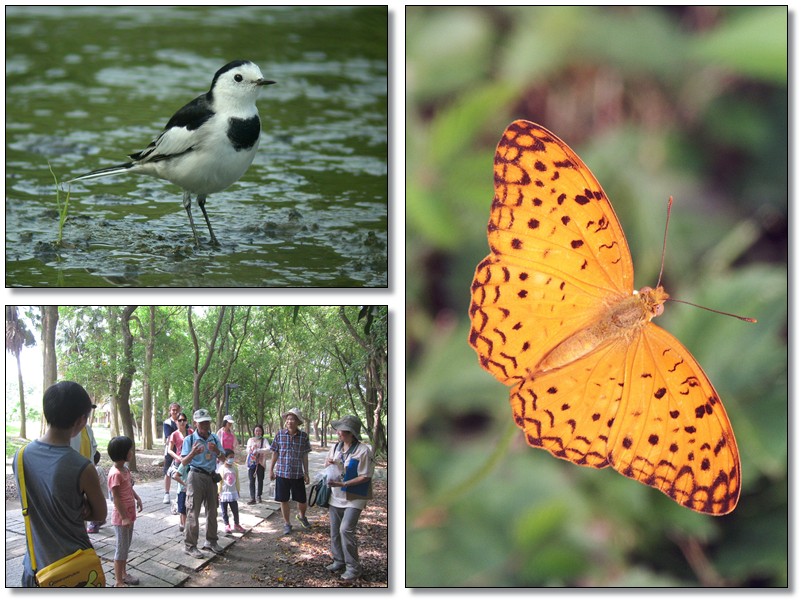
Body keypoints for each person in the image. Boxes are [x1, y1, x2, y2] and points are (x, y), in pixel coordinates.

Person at [11, 381, 107, 587]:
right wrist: (79, 507)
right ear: (81, 420)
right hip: (74, 569)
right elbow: (100, 514)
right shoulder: (83, 467)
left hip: (36, 567)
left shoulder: (19, 457)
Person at [324, 415, 375, 581]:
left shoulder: (363, 451)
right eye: (338, 429)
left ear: (352, 433)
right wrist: (329, 463)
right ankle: (338, 560)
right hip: (336, 495)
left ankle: (353, 567)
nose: (338, 433)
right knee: (335, 531)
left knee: (345, 529)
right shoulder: (335, 447)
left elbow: (365, 476)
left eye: (342, 430)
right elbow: (326, 465)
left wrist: (343, 483)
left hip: (355, 496)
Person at [181, 408, 225, 558]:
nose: (205, 425)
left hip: (211, 477)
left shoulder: (214, 439)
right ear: (195, 423)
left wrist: (217, 451)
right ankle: (190, 545)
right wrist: (193, 453)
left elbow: (224, 458)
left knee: (212, 510)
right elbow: (183, 462)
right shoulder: (189, 440)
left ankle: (211, 541)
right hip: (195, 476)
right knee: (193, 511)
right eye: (201, 423)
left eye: (206, 422)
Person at [269, 407, 312, 535]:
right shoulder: (280, 434)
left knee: (302, 500)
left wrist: (306, 473)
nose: (289, 421)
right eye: (288, 419)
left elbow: (304, 455)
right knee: (284, 499)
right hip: (282, 473)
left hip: (297, 473)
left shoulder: (303, 436)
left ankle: (302, 516)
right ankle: (287, 523)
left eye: (292, 419)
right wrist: (271, 470)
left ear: (298, 422)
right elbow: (275, 453)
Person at [107, 436, 143, 587]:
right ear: (123, 453)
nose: (132, 452)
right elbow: (115, 498)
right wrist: (124, 517)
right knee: (121, 549)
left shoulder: (125, 470)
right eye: (129, 450)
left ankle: (123, 573)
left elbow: (128, 487)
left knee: (125, 547)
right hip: (121, 518)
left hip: (129, 514)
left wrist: (137, 498)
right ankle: (118, 581)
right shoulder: (115, 474)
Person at [218, 449, 245, 533]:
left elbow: (237, 480)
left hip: (233, 492)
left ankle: (237, 524)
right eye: (230, 457)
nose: (232, 459)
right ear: (225, 458)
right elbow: (219, 482)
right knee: (224, 510)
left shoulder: (235, 468)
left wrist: (238, 490)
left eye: (233, 457)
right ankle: (227, 524)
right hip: (224, 493)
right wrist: (218, 492)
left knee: (235, 510)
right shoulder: (221, 469)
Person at [245, 424, 270, 504]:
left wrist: (259, 450)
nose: (258, 432)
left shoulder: (264, 440)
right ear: (254, 432)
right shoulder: (250, 440)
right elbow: (247, 450)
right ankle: (252, 497)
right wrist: (251, 450)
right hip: (251, 463)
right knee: (251, 480)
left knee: (260, 480)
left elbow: (269, 449)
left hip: (261, 463)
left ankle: (259, 495)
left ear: (262, 432)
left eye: (259, 431)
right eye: (256, 431)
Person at [162, 403, 182, 503]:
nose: (175, 411)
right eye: (173, 410)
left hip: (181, 451)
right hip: (170, 451)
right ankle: (166, 493)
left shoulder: (182, 420)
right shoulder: (167, 423)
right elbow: (169, 436)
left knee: (181, 471)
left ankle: (180, 493)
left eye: (176, 410)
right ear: (170, 411)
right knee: (167, 472)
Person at [172, 461, 190, 531]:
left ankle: (183, 524)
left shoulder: (194, 464)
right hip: (182, 490)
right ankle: (184, 526)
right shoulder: (183, 465)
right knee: (183, 510)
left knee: (186, 509)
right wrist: (185, 484)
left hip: (190, 490)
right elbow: (175, 476)